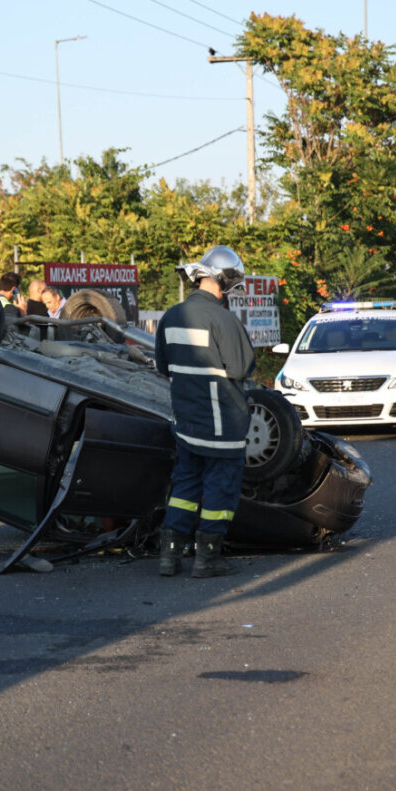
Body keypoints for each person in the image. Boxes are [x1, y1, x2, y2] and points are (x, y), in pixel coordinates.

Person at [155, 245, 255, 579]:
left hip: (187, 421)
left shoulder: (171, 316)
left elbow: (163, 366)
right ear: (223, 279)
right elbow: (241, 368)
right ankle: (207, 558)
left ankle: (169, 554)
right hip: (222, 420)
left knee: (184, 485)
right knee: (220, 489)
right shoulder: (222, 318)